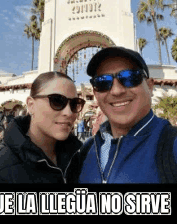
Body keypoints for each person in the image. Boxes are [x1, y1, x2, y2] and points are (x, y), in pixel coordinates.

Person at [68, 46, 177, 184]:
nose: (116, 91)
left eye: (130, 77)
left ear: (150, 86)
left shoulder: (171, 145)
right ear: (96, 94)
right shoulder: (86, 151)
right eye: (103, 82)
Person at [0, 71, 85, 184]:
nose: (69, 112)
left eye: (74, 104)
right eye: (57, 101)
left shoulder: (81, 156)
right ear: (31, 105)